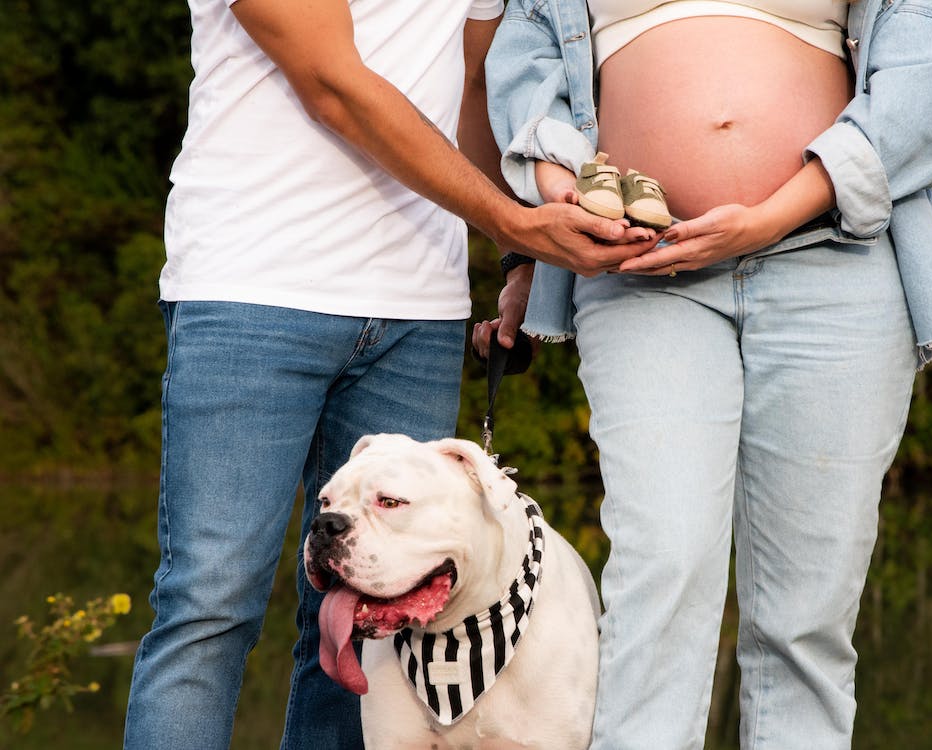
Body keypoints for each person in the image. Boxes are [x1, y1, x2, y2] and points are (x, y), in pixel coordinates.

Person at [121, 0, 658, 748]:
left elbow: (468, 91)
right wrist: (512, 223)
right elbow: (331, 81)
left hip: (419, 305)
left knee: (365, 621)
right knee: (209, 607)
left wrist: (516, 257)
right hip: (254, 288)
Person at [475, 0, 932, 748]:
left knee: (806, 614)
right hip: (640, 268)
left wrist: (772, 214)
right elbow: (522, 63)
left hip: (832, 260)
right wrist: (563, 193)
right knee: (660, 565)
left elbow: (921, 74)